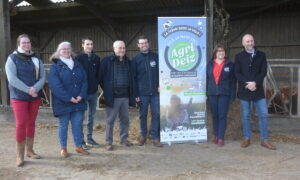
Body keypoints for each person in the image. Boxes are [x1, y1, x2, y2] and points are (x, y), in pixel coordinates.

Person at [5, 34, 46, 166]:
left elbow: (42, 77)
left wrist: (35, 88)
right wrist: (28, 89)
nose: (27, 45)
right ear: (18, 44)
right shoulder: (12, 58)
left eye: (28, 42)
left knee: (31, 123)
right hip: (19, 96)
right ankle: (19, 155)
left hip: (34, 96)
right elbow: (12, 79)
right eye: (24, 43)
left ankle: (30, 150)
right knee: (21, 123)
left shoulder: (36, 59)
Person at [234, 34, 276, 150]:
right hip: (244, 90)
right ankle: (247, 138)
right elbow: (237, 73)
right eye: (247, 41)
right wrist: (247, 83)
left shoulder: (261, 55)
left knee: (263, 114)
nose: (250, 43)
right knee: (246, 115)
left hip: (258, 91)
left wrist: (255, 83)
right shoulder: (238, 56)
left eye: (251, 41)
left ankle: (264, 140)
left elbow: (263, 71)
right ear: (243, 43)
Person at [48, 41, 89, 157]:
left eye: (68, 49)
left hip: (78, 101)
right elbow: (55, 86)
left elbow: (84, 81)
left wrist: (81, 95)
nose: (66, 51)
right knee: (63, 125)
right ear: (58, 52)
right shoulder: (55, 67)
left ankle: (78, 146)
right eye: (63, 49)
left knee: (77, 125)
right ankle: (63, 148)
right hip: (63, 102)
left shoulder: (78, 65)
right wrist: (69, 98)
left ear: (71, 51)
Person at [99, 40, 135, 151]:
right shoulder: (106, 61)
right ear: (114, 49)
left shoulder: (128, 62)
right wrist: (107, 89)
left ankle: (124, 139)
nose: (122, 50)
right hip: (113, 97)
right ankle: (108, 142)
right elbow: (100, 77)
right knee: (110, 120)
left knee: (125, 119)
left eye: (123, 48)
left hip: (125, 96)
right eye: (119, 48)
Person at [132, 36, 162, 147]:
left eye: (145, 42)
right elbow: (133, 78)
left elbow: (161, 73)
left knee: (157, 114)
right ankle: (143, 136)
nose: (144, 45)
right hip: (142, 93)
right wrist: (136, 95)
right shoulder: (135, 59)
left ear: (148, 44)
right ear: (138, 45)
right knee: (143, 115)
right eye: (141, 43)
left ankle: (155, 137)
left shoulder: (155, 56)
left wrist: (160, 85)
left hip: (155, 93)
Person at [206, 44, 236, 147]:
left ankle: (221, 137)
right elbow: (207, 79)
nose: (221, 53)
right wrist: (206, 93)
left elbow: (233, 81)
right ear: (215, 53)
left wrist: (232, 95)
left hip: (224, 93)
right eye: (219, 51)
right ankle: (216, 135)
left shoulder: (230, 64)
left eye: (222, 51)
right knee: (215, 115)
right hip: (212, 93)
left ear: (225, 53)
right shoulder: (210, 64)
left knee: (222, 115)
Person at [75, 37, 101, 149]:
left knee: (91, 117)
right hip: (82, 94)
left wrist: (97, 86)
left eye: (91, 44)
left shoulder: (96, 58)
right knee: (81, 118)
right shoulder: (78, 58)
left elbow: (98, 74)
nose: (90, 46)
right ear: (82, 45)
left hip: (93, 93)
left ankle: (89, 138)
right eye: (87, 44)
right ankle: (81, 141)